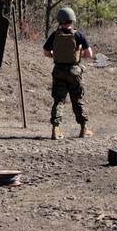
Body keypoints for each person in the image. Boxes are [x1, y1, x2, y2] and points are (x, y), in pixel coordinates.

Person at [43, 7, 93, 139]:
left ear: (59, 20)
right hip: (74, 71)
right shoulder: (79, 34)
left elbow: (46, 53)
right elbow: (89, 54)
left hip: (58, 71)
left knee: (59, 100)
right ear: (72, 19)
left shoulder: (54, 35)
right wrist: (76, 55)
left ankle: (56, 129)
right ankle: (84, 129)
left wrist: (58, 55)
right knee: (77, 100)